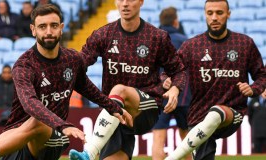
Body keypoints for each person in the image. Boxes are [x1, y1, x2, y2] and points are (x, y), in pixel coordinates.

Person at [0, 4, 132, 160]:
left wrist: (113, 107)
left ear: (61, 28)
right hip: (17, 140)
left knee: (40, 121)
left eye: (54, 26)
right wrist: (63, 124)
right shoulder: (24, 65)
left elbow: (86, 87)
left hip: (52, 137)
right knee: (35, 119)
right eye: (42, 27)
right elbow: (29, 103)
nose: (48, 31)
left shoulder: (72, 59)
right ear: (33, 30)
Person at [69, 0, 186, 159]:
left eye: (130, 0)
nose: (125, 4)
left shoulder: (157, 37)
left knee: (118, 89)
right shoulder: (103, 34)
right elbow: (80, 63)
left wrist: (175, 88)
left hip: (146, 108)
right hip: (116, 114)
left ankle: (89, 151)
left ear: (141, 2)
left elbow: (179, 70)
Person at [164, 0, 266, 160]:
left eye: (219, 13)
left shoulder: (244, 44)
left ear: (228, 14)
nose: (214, 17)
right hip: (198, 116)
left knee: (216, 112)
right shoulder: (192, 46)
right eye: (210, 13)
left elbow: (261, 75)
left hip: (232, 112)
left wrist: (253, 89)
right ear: (205, 14)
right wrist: (171, 84)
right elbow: (172, 70)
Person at [151, 6, 190, 160]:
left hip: (160, 95)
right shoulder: (185, 42)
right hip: (184, 95)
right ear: (175, 22)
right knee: (188, 140)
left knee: (158, 139)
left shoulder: (153, 41)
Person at [248, 89, 266, 153]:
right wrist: (254, 125)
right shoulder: (253, 101)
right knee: (257, 152)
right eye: (264, 90)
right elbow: (250, 116)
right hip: (257, 132)